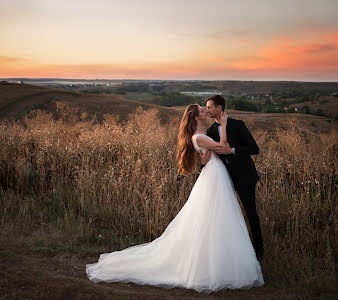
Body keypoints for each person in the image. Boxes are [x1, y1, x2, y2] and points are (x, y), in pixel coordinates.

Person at [86, 104, 264, 293]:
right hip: (214, 178)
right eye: (202, 111)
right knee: (214, 217)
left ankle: (217, 260)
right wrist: (226, 125)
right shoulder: (199, 137)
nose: (205, 112)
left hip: (214, 176)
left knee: (214, 218)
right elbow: (222, 147)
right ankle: (211, 265)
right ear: (195, 117)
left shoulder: (199, 136)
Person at [201, 95, 264, 261]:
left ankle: (259, 252)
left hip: (245, 177)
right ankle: (228, 252)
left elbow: (254, 148)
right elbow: (209, 156)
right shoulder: (211, 131)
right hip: (225, 180)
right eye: (206, 108)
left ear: (219, 108)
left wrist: (233, 150)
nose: (207, 111)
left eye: (209, 107)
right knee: (225, 215)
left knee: (251, 214)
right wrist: (202, 163)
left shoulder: (237, 124)